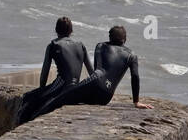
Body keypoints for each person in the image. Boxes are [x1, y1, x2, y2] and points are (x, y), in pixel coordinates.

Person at [18, 24, 154, 123]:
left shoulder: (101, 46)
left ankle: (31, 122)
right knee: (76, 100)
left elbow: (97, 71)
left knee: (59, 100)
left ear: (109, 37)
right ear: (125, 39)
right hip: (106, 97)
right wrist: (136, 101)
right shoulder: (132, 55)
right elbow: (135, 76)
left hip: (94, 83)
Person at [16, 17, 93, 123]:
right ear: (71, 31)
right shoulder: (81, 45)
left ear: (56, 30)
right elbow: (92, 74)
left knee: (27, 98)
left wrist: (41, 91)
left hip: (61, 86)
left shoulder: (53, 45)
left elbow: (44, 73)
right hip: (76, 89)